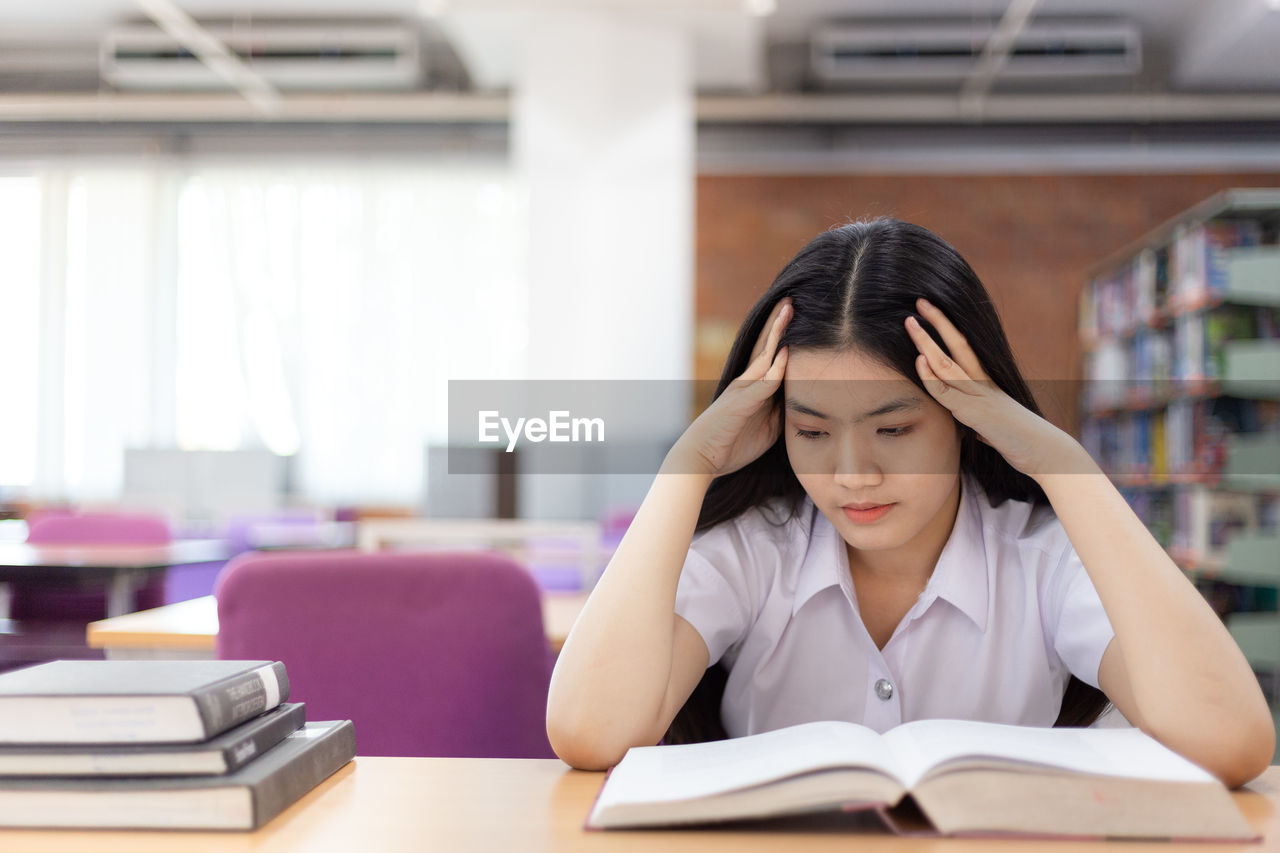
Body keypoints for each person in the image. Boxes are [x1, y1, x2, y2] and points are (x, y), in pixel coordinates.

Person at [545, 218, 1274, 787]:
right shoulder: (756, 547)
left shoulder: (1040, 555)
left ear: (966, 416)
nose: (853, 473)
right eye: (812, 431)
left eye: (893, 428)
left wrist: (1063, 463)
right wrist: (687, 465)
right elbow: (589, 730)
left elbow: (1230, 740)